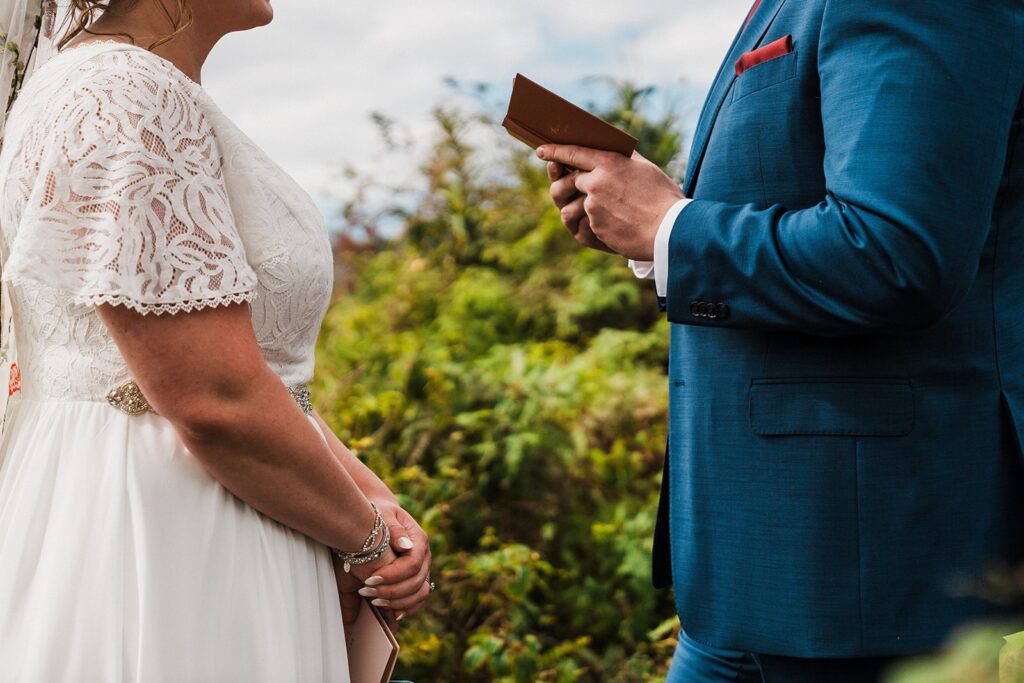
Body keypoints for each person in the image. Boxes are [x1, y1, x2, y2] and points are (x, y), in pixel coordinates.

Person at [542, 1, 1024, 681]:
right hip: (758, 561)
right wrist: (651, 237)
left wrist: (672, 226)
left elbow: (894, 254)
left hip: (857, 564)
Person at [0, 1, 431, 680]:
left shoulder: (78, 87)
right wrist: (365, 541)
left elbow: (240, 368)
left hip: (130, 499)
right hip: (172, 533)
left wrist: (366, 492)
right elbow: (212, 398)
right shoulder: (133, 93)